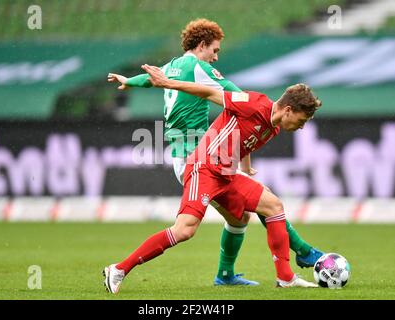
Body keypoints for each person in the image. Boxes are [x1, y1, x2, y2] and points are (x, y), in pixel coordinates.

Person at [107, 19, 323, 287]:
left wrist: (130, 81)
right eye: (215, 50)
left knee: (244, 215)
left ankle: (237, 275)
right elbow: (231, 95)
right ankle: (303, 251)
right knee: (186, 229)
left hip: (201, 157)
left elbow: (152, 78)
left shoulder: (174, 65)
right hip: (197, 157)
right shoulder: (197, 67)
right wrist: (251, 102)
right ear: (202, 46)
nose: (216, 57)